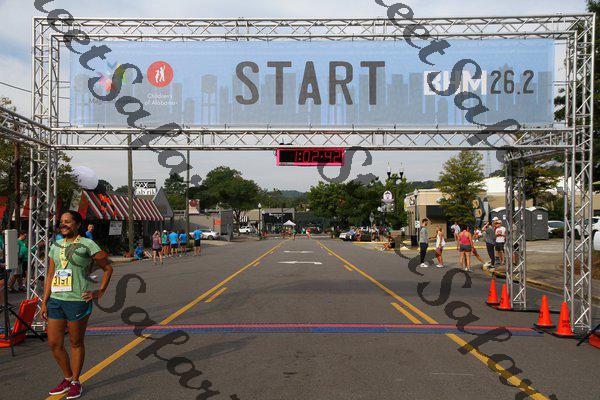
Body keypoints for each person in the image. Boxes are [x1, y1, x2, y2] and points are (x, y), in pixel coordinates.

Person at [42, 210, 113, 399]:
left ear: (78, 224)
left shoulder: (87, 244)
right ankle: (67, 378)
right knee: (54, 343)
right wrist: (44, 301)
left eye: (68, 221)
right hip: (56, 300)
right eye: (62, 221)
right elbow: (50, 274)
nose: (63, 224)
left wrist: (99, 292)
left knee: (75, 342)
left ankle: (75, 381)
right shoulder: (55, 245)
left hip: (77, 300)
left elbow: (107, 268)